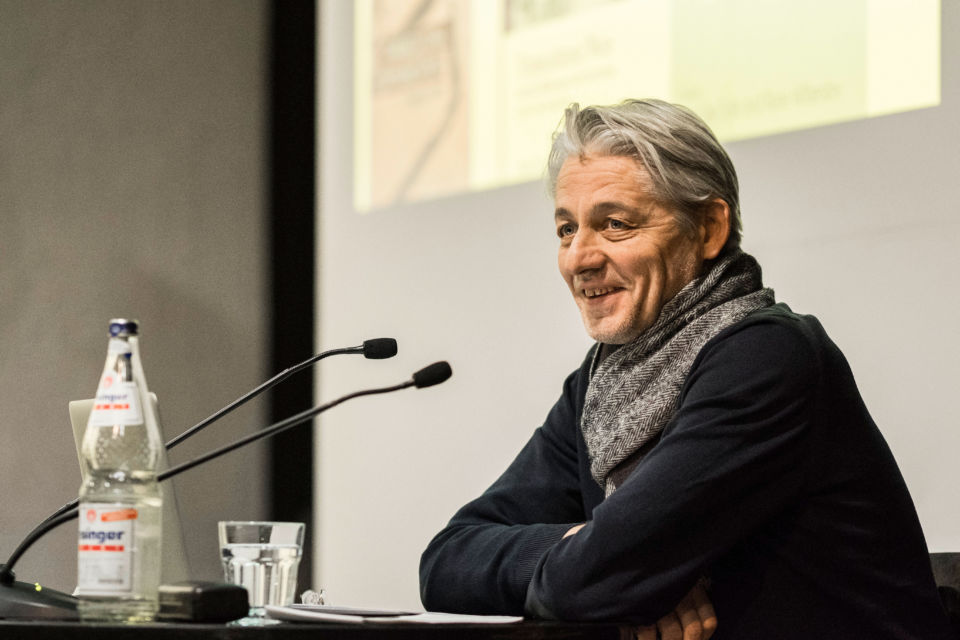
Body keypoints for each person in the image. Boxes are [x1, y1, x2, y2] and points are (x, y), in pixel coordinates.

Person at [418, 99, 953, 640]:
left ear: (708, 228)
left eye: (615, 224)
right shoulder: (601, 384)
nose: (579, 257)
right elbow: (446, 561)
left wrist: (611, 569)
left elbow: (592, 579)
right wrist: (591, 550)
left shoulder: (767, 356)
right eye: (565, 229)